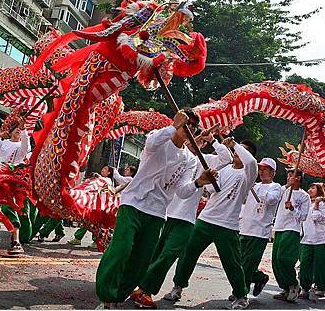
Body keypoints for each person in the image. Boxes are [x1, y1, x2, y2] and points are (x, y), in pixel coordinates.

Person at [95, 109, 219, 309]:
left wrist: (199, 182)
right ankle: (106, 295)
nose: (191, 128)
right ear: (179, 121)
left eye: (194, 125)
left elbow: (183, 191)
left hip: (157, 213)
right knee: (122, 248)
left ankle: (118, 295)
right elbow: (151, 143)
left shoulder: (189, 159)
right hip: (134, 203)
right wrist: (173, 125)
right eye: (188, 122)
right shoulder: (159, 138)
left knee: (142, 260)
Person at [131, 128, 233, 308]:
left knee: (168, 255)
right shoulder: (174, 155)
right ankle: (135, 285)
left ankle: (145, 289)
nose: (195, 141)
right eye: (192, 137)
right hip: (164, 214)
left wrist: (213, 140)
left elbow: (227, 159)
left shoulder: (205, 161)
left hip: (186, 219)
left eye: (199, 140)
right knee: (153, 254)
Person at [164, 140, 258, 310]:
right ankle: (177, 287)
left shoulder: (249, 173)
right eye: (237, 150)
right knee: (188, 254)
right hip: (205, 220)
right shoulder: (225, 169)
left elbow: (250, 161)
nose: (236, 152)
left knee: (232, 263)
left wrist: (234, 144)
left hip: (227, 225)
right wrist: (211, 179)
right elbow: (214, 190)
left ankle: (241, 296)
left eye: (242, 151)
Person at [0, 120, 31, 255]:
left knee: (8, 207)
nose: (18, 130)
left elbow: (25, 145)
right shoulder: (2, 143)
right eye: (15, 128)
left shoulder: (23, 148)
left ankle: (15, 241)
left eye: (19, 129)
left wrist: (24, 130)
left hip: (12, 180)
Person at [238, 157, 282, 299]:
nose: (262, 172)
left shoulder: (276, 187)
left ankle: (240, 293)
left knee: (249, 263)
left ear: (273, 172)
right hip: (244, 228)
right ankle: (259, 277)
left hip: (260, 231)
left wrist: (257, 188)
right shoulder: (254, 185)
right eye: (260, 169)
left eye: (265, 169)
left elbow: (271, 200)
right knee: (239, 261)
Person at [271, 169, 309, 302]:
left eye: (292, 175)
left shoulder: (305, 196)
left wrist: (293, 209)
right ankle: (286, 288)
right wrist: (287, 186)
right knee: (275, 260)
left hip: (292, 229)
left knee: (284, 258)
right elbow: (274, 197)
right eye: (288, 175)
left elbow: (303, 216)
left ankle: (293, 284)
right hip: (279, 227)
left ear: (298, 178)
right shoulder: (283, 191)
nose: (289, 177)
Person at [298, 183, 325, 303]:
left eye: (313, 188)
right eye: (309, 187)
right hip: (307, 238)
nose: (310, 190)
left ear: (319, 191)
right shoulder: (306, 203)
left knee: (324, 267)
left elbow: (317, 217)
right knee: (305, 265)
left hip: (321, 239)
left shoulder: (323, 204)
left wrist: (316, 205)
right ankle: (305, 289)